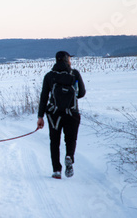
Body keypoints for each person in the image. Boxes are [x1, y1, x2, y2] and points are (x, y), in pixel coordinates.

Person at [37, 51, 86, 179]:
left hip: (54, 114)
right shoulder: (74, 73)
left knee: (54, 141)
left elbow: (43, 97)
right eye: (69, 58)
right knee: (70, 139)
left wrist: (40, 116)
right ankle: (69, 156)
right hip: (72, 113)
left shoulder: (49, 76)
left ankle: (56, 170)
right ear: (66, 59)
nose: (70, 60)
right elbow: (82, 93)